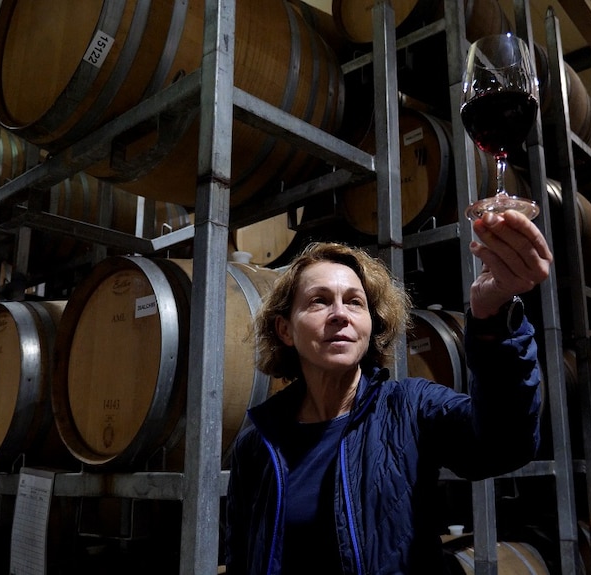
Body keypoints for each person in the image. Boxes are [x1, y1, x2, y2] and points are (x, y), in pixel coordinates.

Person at [225, 209, 553, 574]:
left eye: (355, 302)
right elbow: (243, 556)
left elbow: (505, 442)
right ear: (285, 330)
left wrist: (493, 315)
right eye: (319, 301)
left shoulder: (409, 408)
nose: (340, 314)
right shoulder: (257, 445)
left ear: (370, 325)